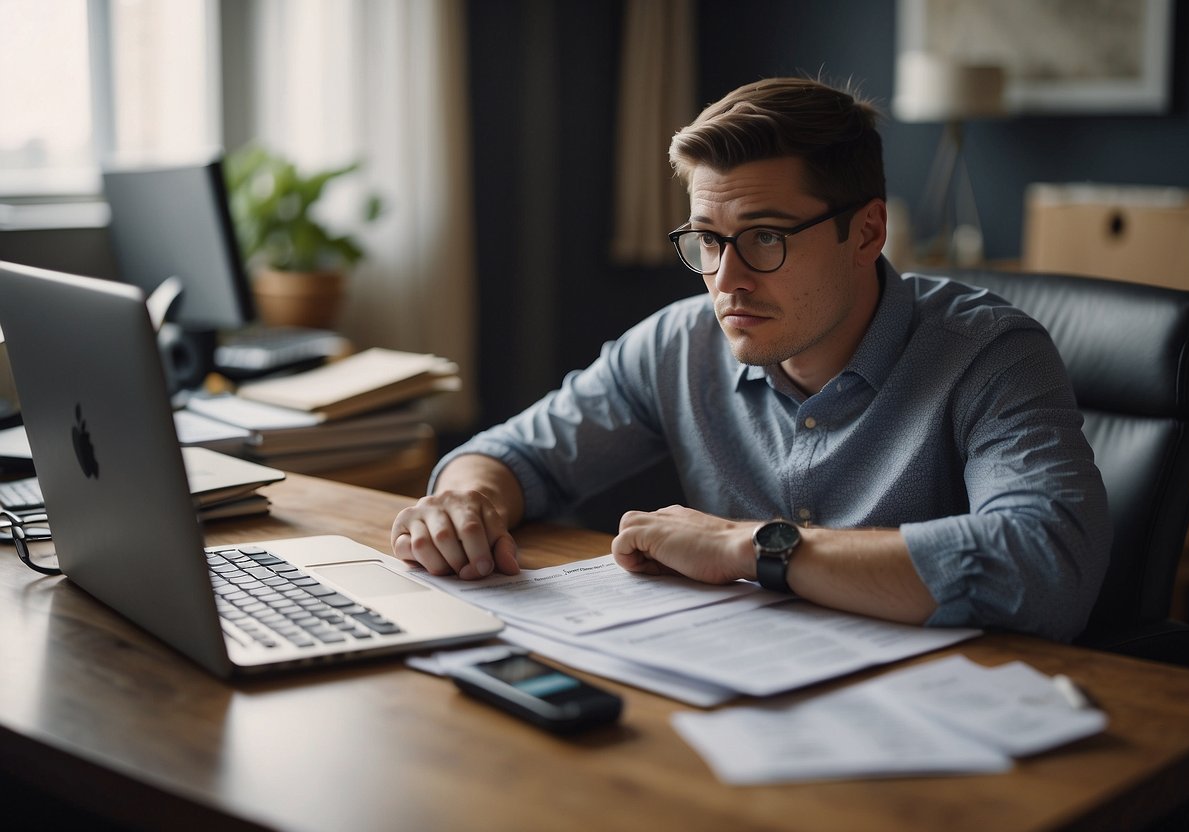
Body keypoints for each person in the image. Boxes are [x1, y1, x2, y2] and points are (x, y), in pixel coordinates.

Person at [390, 76, 1110, 642]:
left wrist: (754, 549)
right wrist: (466, 501)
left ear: (865, 233)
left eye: (764, 237)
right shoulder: (678, 343)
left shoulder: (987, 353)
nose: (726, 279)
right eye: (706, 238)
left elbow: (1045, 566)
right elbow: (520, 455)